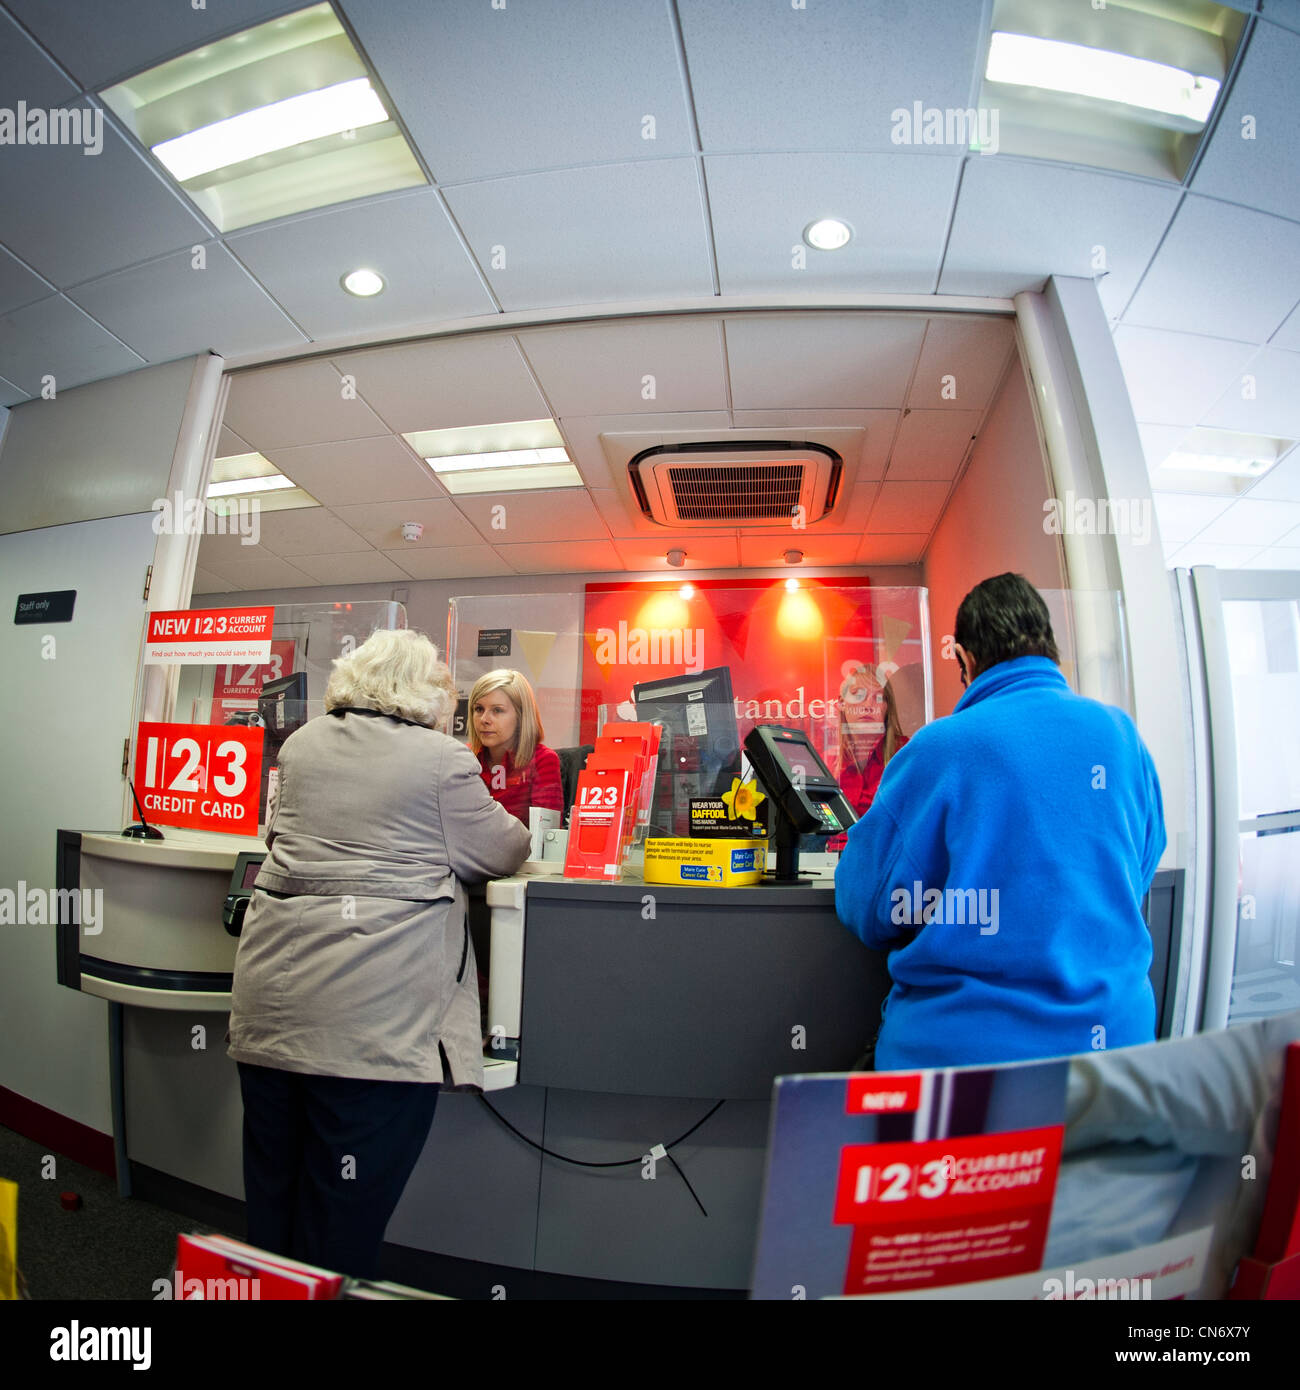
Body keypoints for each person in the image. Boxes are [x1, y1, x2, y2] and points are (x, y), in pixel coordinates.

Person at [227, 630, 531, 1279]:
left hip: (271, 1015)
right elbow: (504, 850)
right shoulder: (440, 760)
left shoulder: (302, 743)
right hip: (371, 1031)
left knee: (273, 1209)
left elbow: (281, 838)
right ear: (426, 692)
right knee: (340, 1229)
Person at [835, 573, 1165, 1071]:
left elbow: (864, 903)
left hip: (966, 1063)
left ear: (964, 659)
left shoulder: (940, 747)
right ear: (1048, 647)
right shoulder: (1121, 735)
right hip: (1118, 1054)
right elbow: (1141, 866)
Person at [468, 668, 564, 827]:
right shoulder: (465, 758)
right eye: (479, 709)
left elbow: (545, 833)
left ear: (521, 716)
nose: (484, 719)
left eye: (497, 710)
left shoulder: (543, 760)